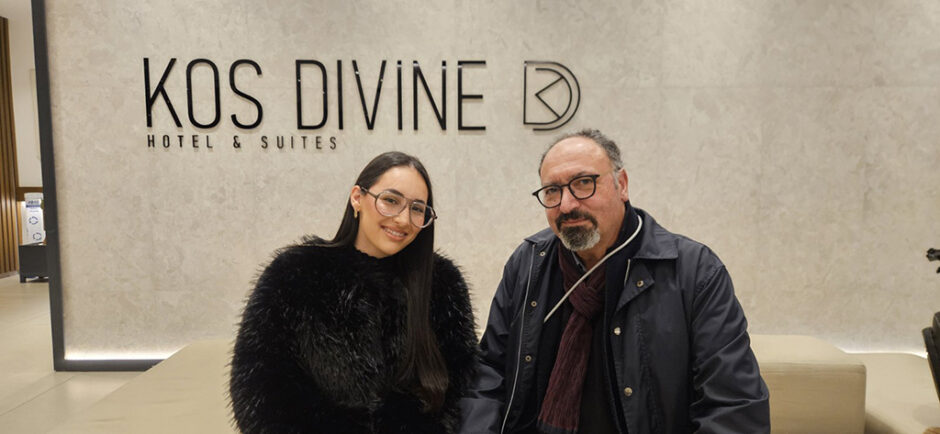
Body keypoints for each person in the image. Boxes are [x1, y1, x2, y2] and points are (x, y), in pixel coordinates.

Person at [460, 130, 770, 434]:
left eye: (584, 183)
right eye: (552, 190)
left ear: (621, 185)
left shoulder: (694, 272)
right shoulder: (528, 263)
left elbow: (734, 408)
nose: (566, 205)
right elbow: (489, 373)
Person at [230, 151, 478, 433]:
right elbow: (258, 390)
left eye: (417, 208)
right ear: (357, 198)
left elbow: (464, 388)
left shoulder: (442, 284)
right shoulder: (295, 274)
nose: (403, 219)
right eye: (391, 200)